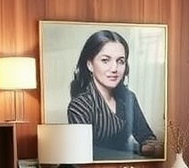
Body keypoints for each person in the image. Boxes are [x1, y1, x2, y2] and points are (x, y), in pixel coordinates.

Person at [67, 29, 163, 160]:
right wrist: (136, 150)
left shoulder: (129, 98)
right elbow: (86, 152)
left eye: (120, 61)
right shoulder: (79, 106)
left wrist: (152, 147)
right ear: (90, 65)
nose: (114, 69)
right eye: (105, 60)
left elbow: (147, 137)